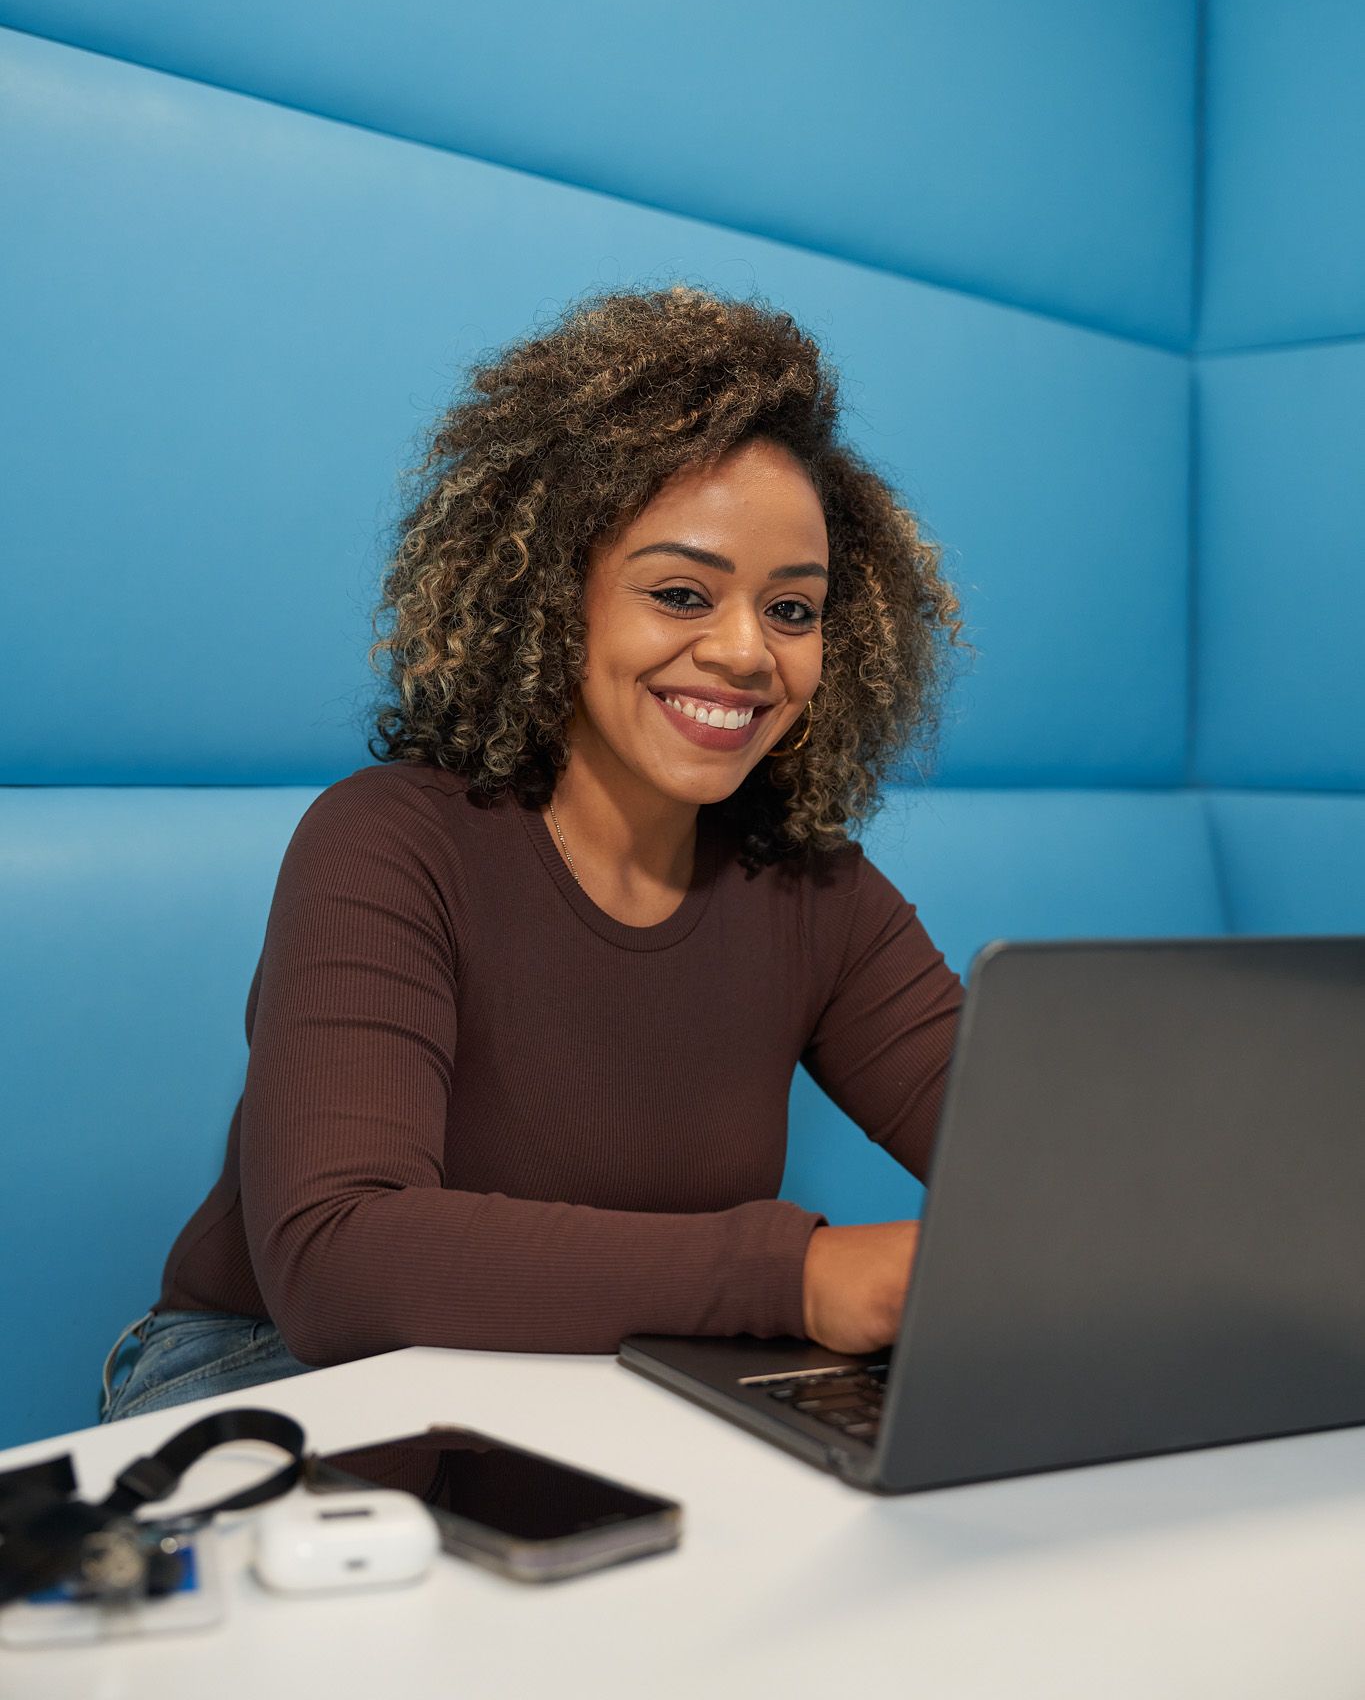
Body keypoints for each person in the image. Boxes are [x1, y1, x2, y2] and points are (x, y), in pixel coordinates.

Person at [99, 284, 972, 1423]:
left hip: (605, 1379)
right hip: (278, 1373)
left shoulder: (822, 892)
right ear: (552, 592)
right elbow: (338, 1253)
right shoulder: (388, 840)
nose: (747, 651)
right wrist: (794, 1274)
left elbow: (1029, 1154)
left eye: (795, 610)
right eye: (679, 593)